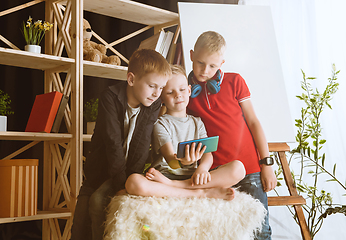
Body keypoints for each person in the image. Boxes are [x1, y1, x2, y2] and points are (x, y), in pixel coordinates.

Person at [71, 49, 172, 240]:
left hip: (128, 173)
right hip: (100, 171)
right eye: (152, 86)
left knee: (97, 202)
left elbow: (142, 145)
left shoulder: (153, 105)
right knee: (79, 224)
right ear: (131, 79)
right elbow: (112, 142)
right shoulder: (109, 98)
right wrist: (120, 183)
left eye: (161, 88)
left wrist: (128, 182)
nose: (157, 94)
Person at [186, 31, 277, 240]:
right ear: (191, 55)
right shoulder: (186, 91)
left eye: (212, 66)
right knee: (221, 230)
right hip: (216, 172)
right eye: (200, 63)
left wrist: (267, 164)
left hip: (251, 170)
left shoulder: (235, 81)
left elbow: (253, 122)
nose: (205, 71)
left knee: (261, 231)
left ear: (222, 63)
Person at [125, 65, 245, 200]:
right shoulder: (160, 124)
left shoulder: (197, 122)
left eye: (182, 89)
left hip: (192, 178)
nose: (178, 95)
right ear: (162, 98)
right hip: (164, 176)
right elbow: (171, 161)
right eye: (170, 92)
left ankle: (176, 186)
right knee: (133, 181)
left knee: (238, 168)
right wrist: (184, 162)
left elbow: (207, 155)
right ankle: (199, 193)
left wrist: (203, 169)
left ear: (189, 90)